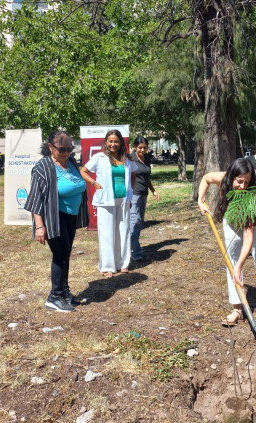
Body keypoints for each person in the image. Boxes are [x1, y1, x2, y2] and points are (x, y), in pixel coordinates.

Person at [198, 158, 256, 328]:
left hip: (252, 220)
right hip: (231, 218)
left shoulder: (250, 197)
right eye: (239, 181)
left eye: (246, 182)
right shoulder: (224, 178)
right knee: (230, 260)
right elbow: (206, 179)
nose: (242, 186)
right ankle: (237, 309)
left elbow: (249, 239)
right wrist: (200, 200)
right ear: (232, 176)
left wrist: (239, 265)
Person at [24, 131, 88, 312]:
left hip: (70, 215)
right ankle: (54, 297)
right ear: (50, 147)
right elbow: (36, 199)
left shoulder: (71, 162)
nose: (67, 151)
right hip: (53, 216)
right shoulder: (43, 167)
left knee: (66, 253)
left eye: (70, 148)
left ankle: (64, 293)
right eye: (62, 149)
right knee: (60, 255)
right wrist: (39, 226)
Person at [80, 129, 137, 276]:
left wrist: (130, 190)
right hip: (105, 200)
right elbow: (83, 171)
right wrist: (93, 183)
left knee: (123, 232)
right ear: (106, 142)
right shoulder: (99, 157)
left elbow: (133, 175)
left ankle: (122, 263)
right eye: (110, 141)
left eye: (116, 141)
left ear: (120, 143)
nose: (113, 144)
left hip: (123, 200)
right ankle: (107, 266)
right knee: (107, 233)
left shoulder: (128, 159)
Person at [130, 136, 160, 261]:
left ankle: (134, 247)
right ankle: (134, 252)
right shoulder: (131, 158)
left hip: (144, 193)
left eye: (144, 148)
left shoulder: (146, 159)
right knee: (134, 221)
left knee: (140, 222)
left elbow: (146, 178)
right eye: (140, 148)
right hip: (134, 193)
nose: (142, 150)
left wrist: (153, 191)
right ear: (135, 147)